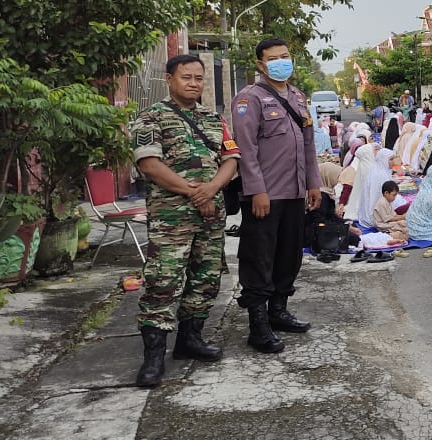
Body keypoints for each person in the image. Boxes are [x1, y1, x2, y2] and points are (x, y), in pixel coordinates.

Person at [129, 54, 240, 387]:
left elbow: (231, 159)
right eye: (186, 77)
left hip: (211, 214)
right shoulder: (151, 117)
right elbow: (149, 165)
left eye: (199, 78)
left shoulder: (213, 118)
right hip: (171, 218)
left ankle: (189, 340)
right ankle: (153, 358)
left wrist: (212, 189)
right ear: (169, 79)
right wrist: (195, 193)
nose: (193, 83)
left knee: (205, 279)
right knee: (163, 283)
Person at [231, 38, 322, 354]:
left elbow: (308, 145)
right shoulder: (249, 99)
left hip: (296, 192)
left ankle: (278, 311)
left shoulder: (297, 97)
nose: (281, 62)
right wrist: (256, 190)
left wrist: (313, 183)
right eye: (273, 58)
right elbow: (246, 150)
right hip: (266, 196)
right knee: (259, 258)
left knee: (289, 254)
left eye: (285, 56)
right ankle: (258, 326)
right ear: (260, 64)